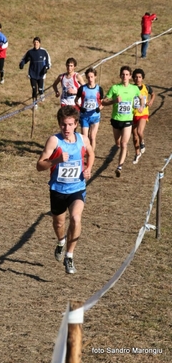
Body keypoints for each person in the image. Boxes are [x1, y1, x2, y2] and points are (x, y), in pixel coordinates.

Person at [36, 106, 95, 274]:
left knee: (76, 218)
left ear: (76, 124)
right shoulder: (54, 141)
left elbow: (91, 153)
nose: (66, 128)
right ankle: (61, 241)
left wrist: (89, 167)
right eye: (63, 125)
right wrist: (56, 160)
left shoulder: (83, 139)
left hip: (77, 188)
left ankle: (69, 255)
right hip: (58, 189)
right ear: (59, 124)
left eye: (70, 125)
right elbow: (39, 166)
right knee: (59, 223)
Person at [101, 65, 141, 177]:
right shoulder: (115, 88)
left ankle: (119, 166)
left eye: (127, 74)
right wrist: (114, 101)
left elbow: (141, 97)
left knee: (124, 143)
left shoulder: (134, 88)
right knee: (118, 143)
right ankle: (125, 150)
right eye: (123, 74)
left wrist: (141, 106)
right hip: (116, 120)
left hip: (127, 120)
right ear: (120, 76)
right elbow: (104, 102)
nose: (125, 76)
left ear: (130, 77)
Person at [75, 67, 104, 152]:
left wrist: (99, 109)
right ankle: (85, 152)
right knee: (85, 137)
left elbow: (102, 103)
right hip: (84, 117)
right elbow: (76, 100)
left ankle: (91, 155)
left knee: (92, 137)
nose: (90, 79)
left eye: (92, 77)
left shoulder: (99, 89)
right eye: (88, 77)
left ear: (95, 77)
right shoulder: (82, 88)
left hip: (95, 117)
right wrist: (80, 107)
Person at [19, 37, 51, 109]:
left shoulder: (44, 52)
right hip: (32, 74)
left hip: (41, 74)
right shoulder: (30, 52)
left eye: (37, 42)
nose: (36, 44)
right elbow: (24, 59)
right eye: (35, 42)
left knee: (40, 89)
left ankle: (41, 93)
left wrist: (46, 68)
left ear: (39, 43)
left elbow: (48, 62)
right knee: (34, 89)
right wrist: (22, 64)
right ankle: (35, 103)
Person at [132, 68, 155, 164]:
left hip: (144, 113)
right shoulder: (131, 88)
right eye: (136, 77)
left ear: (142, 78)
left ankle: (142, 143)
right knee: (134, 135)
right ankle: (137, 153)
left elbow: (153, 94)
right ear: (133, 78)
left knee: (139, 131)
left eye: (140, 77)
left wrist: (151, 101)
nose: (138, 79)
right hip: (133, 113)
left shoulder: (147, 87)